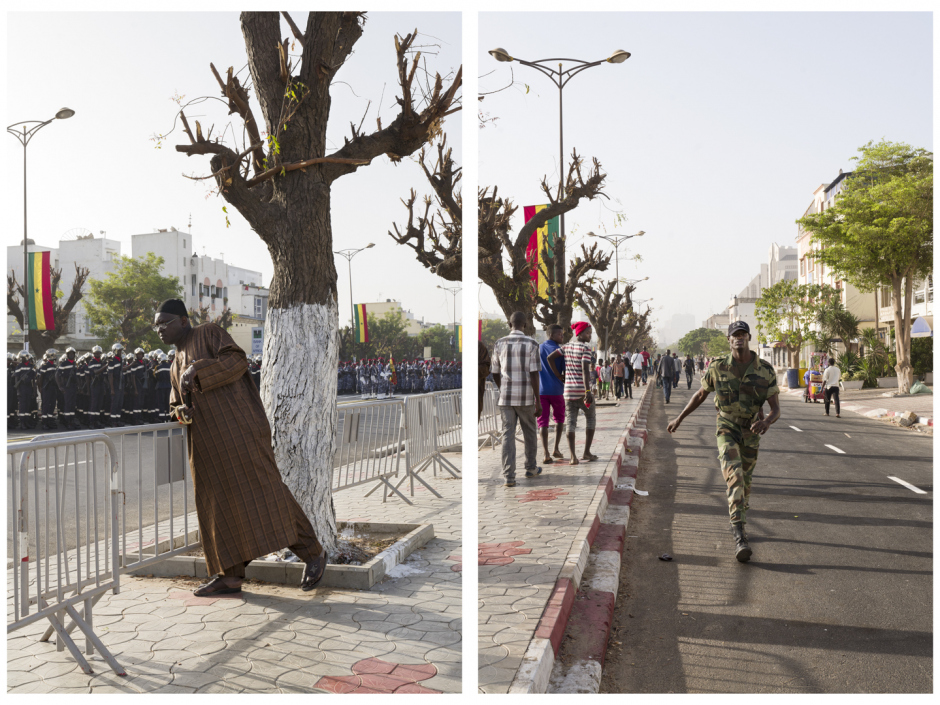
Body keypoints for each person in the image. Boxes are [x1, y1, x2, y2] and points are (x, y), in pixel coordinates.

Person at [153, 298, 327, 596]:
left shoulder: (208, 333)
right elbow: (175, 407)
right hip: (208, 447)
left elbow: (236, 361)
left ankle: (314, 554)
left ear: (183, 320)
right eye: (156, 326)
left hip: (240, 433)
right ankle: (230, 576)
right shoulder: (173, 365)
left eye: (165, 323)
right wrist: (181, 413)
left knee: (267, 493)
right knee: (218, 507)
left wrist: (200, 369)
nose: (160, 330)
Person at [666, 321, 781, 563]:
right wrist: (679, 418)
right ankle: (739, 533)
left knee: (746, 483)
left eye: (742, 334)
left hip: (751, 431)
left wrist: (767, 421)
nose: (738, 338)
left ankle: (741, 519)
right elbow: (700, 395)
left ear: (749, 337)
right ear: (729, 340)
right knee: (735, 476)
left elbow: (776, 409)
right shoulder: (717, 367)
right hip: (726, 427)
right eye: (734, 335)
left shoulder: (765, 370)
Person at [490, 312, 541, 487]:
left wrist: (503, 388)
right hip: (526, 397)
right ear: (525, 325)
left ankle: (509, 477)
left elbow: (495, 373)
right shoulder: (532, 344)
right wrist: (538, 400)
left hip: (506, 398)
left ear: (509, 324)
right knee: (530, 433)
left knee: (507, 435)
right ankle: (531, 467)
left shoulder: (499, 343)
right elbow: (534, 374)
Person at [562, 322, 598, 465]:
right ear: (580, 333)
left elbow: (551, 357)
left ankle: (572, 457)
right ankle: (587, 452)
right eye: (588, 333)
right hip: (583, 391)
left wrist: (560, 376)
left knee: (570, 422)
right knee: (590, 419)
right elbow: (585, 370)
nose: (590, 336)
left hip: (569, 391)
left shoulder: (566, 346)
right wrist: (587, 390)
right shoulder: (585, 348)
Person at [538, 324, 566, 464]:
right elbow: (563, 371)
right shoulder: (559, 350)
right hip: (556, 390)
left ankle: (545, 453)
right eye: (560, 334)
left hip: (541, 391)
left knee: (543, 422)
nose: (562, 336)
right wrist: (560, 377)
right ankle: (555, 448)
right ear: (551, 335)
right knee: (559, 419)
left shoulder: (539, 348)